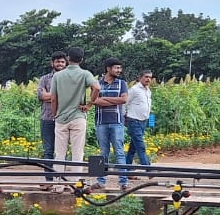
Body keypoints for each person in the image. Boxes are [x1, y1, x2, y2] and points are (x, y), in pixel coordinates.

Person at [48, 47, 99, 192]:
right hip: (78, 117)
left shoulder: (58, 76)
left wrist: (55, 114)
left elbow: (53, 98)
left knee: (60, 154)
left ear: (68, 58)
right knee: (77, 152)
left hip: (61, 118)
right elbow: (97, 88)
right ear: (82, 59)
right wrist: (89, 104)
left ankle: (58, 185)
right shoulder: (85, 74)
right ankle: (74, 185)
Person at [91, 58, 128, 190]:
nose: (119, 70)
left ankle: (124, 182)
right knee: (103, 153)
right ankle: (100, 181)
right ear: (108, 69)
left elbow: (124, 99)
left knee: (119, 152)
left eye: (120, 68)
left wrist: (104, 99)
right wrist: (114, 101)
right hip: (101, 122)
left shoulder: (122, 83)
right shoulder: (97, 84)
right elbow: (94, 100)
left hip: (117, 122)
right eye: (116, 68)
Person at [37, 51, 67, 191]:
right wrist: (56, 96)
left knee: (62, 151)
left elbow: (68, 97)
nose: (60, 64)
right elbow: (41, 96)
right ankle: (49, 180)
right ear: (52, 63)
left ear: (66, 63)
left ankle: (62, 180)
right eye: (57, 62)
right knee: (48, 151)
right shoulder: (44, 79)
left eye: (62, 62)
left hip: (64, 118)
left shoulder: (69, 78)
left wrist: (51, 96)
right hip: (47, 118)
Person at [124, 70, 154, 167]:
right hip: (134, 120)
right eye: (146, 77)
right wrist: (125, 117)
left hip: (143, 121)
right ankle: (148, 168)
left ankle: (126, 169)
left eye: (150, 77)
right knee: (141, 146)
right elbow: (125, 103)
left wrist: (151, 121)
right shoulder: (134, 89)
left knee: (133, 147)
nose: (148, 79)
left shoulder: (148, 91)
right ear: (140, 78)